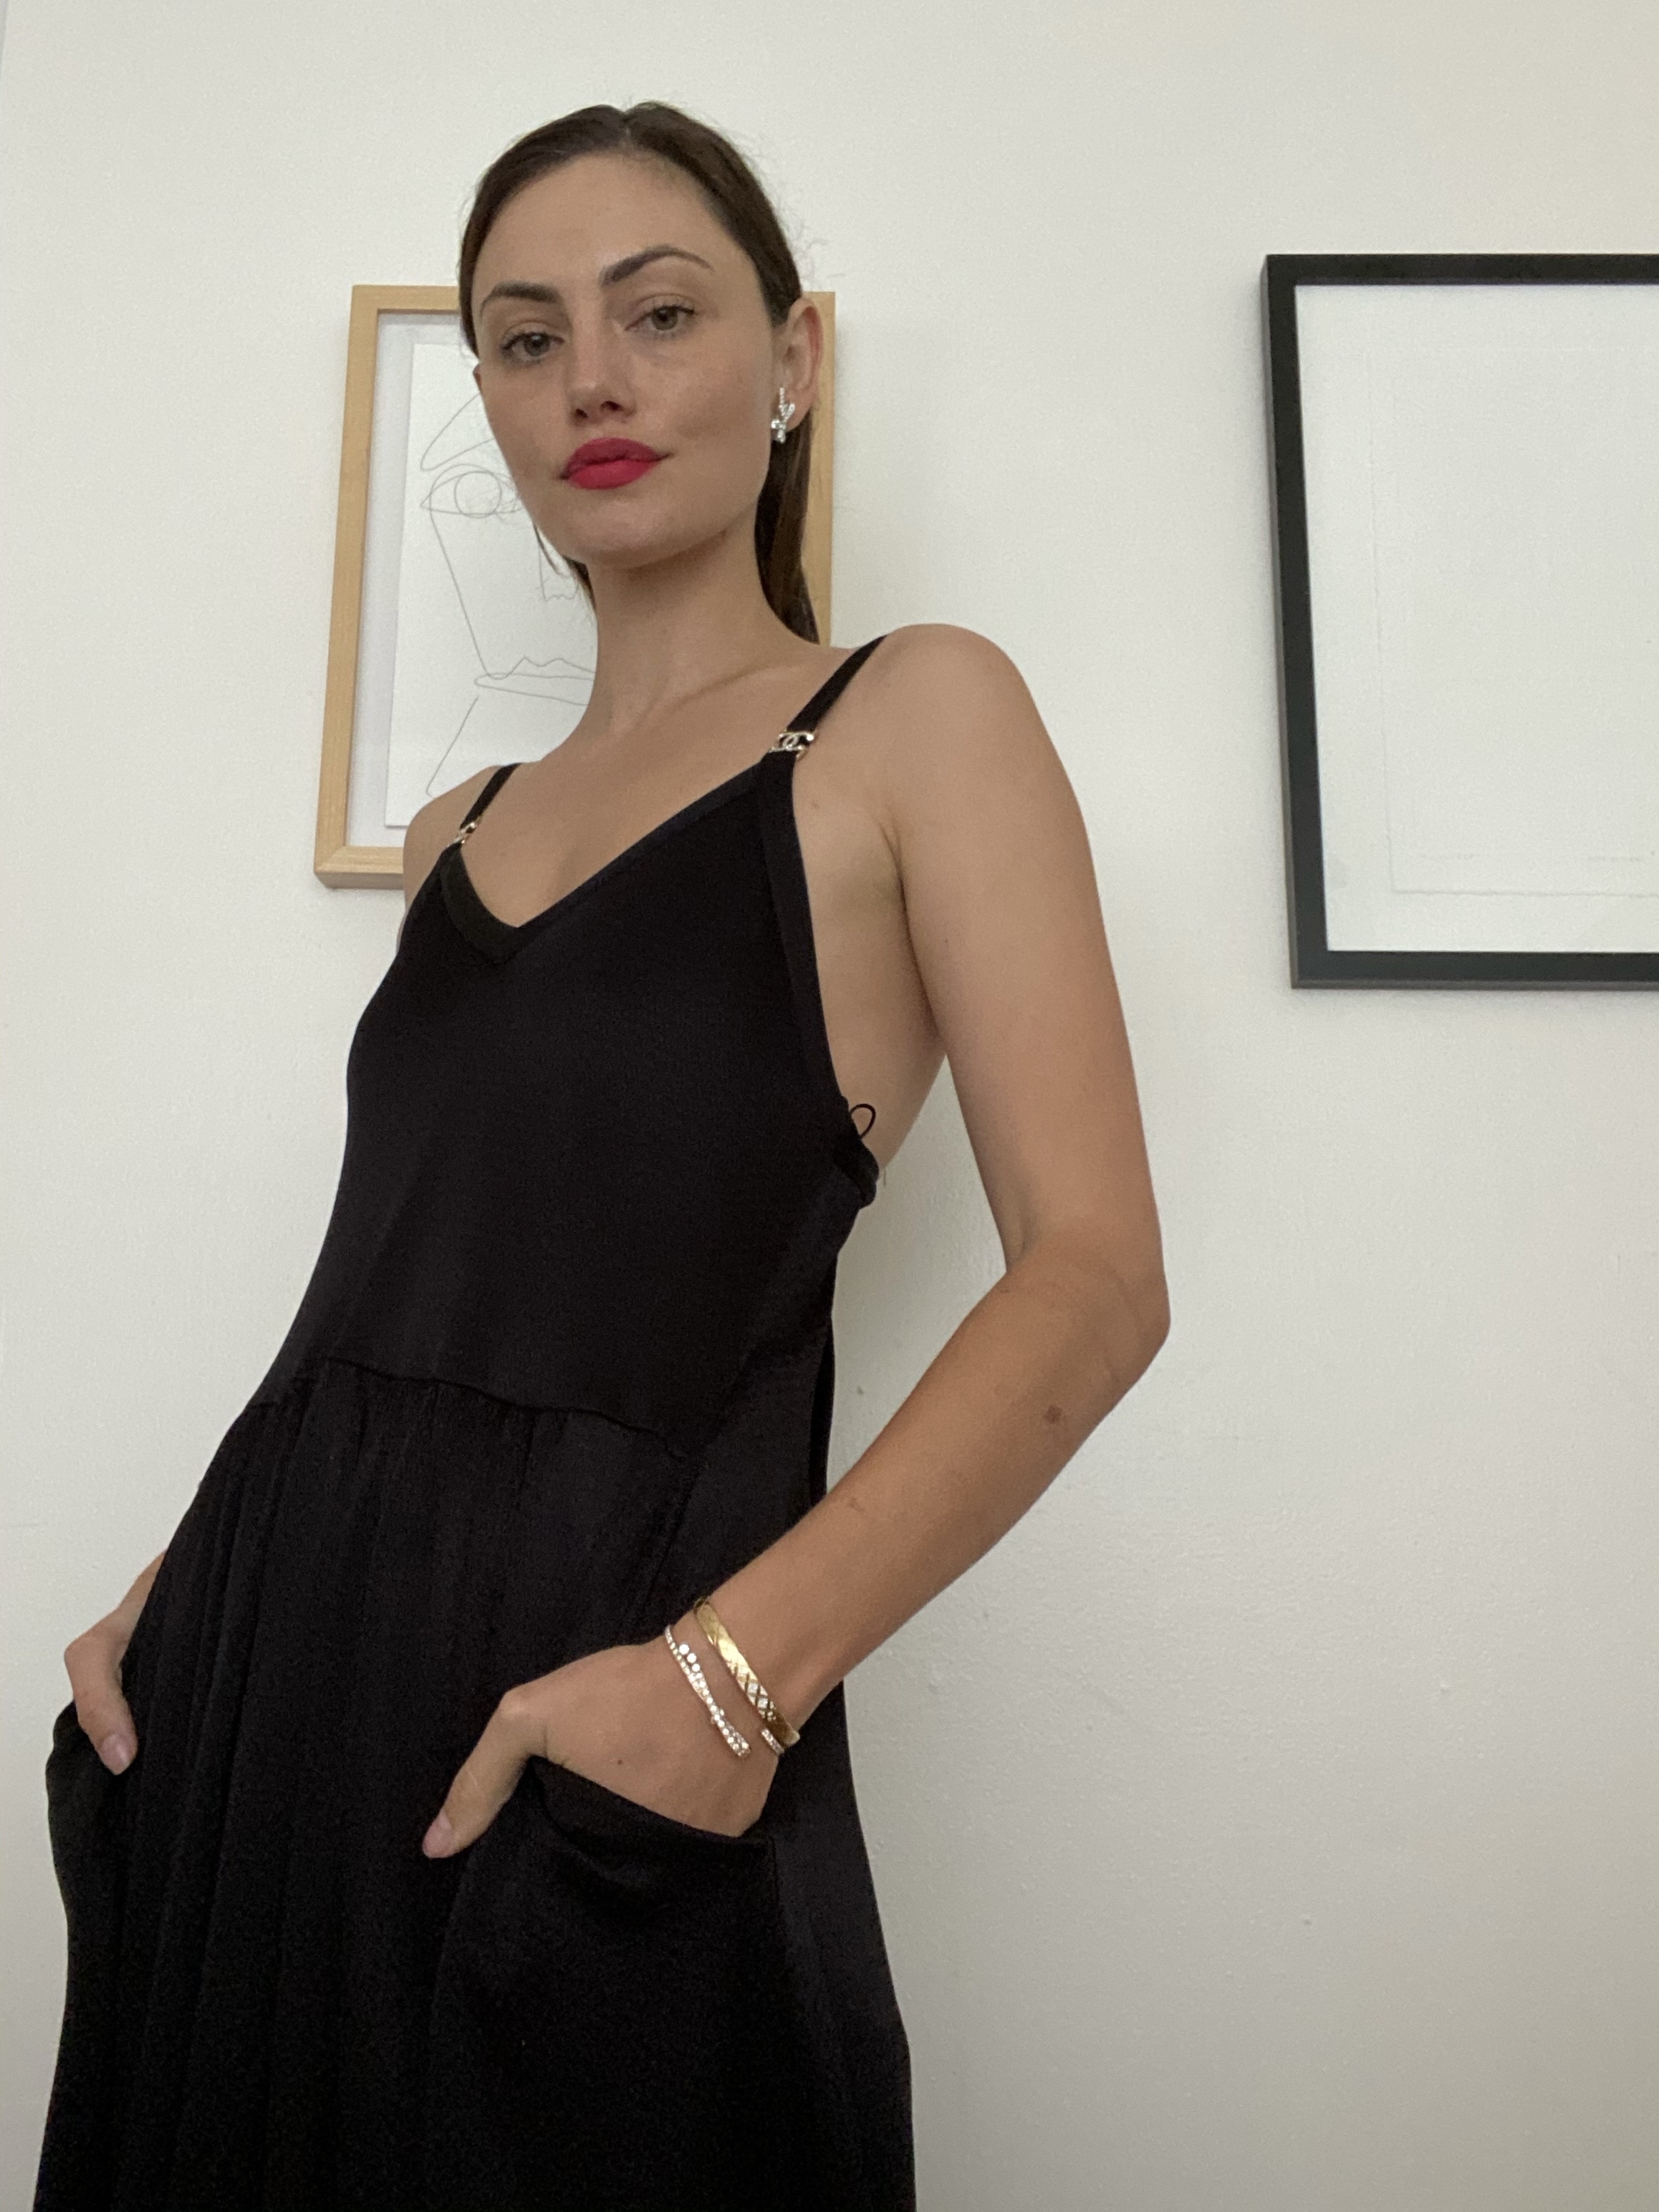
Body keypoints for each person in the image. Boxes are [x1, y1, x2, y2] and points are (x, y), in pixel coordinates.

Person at [35, 100, 1170, 2212]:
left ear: (792, 358)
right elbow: (400, 1279)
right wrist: (184, 1590)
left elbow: (1096, 1273)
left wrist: (733, 1683)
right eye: (528, 337)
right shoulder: (454, 831)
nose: (595, 382)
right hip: (267, 1692)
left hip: (602, 1677)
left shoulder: (913, 717)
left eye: (660, 314)